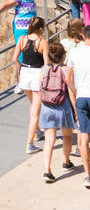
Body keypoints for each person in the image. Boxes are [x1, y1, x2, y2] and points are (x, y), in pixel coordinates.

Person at [39, 40, 76, 182]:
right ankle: (66, 162)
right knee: (67, 135)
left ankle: (47, 171)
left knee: (49, 140)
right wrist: (75, 109)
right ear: (63, 57)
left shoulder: (44, 69)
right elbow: (71, 93)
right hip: (63, 106)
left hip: (47, 107)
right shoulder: (66, 70)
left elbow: (40, 87)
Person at [13, 19, 49, 153]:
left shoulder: (22, 39)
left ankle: (38, 131)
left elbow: (14, 59)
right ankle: (29, 143)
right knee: (36, 111)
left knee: (33, 104)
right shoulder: (42, 42)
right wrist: (43, 77)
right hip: (36, 74)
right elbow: (46, 63)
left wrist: (19, 69)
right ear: (40, 29)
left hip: (25, 73)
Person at [65, 25, 90, 190]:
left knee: (84, 135)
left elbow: (67, 78)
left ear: (83, 36)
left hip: (81, 97)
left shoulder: (74, 53)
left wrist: (76, 91)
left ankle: (88, 174)